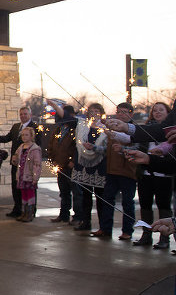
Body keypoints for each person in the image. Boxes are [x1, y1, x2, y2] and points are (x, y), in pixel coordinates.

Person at [94, 102, 138, 239]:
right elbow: (107, 150)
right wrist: (93, 148)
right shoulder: (112, 129)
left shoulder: (135, 130)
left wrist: (123, 150)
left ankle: (127, 231)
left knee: (127, 202)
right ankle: (105, 229)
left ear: (131, 114)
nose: (120, 115)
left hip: (127, 172)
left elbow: (136, 150)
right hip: (111, 171)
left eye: (124, 112)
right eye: (118, 112)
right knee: (107, 200)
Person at [133, 102, 173, 248]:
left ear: (168, 113)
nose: (157, 112)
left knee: (163, 205)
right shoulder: (148, 128)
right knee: (145, 205)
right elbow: (138, 143)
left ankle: (164, 237)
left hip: (164, 175)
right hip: (146, 173)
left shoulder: (171, 130)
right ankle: (147, 234)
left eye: (161, 110)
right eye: (155, 110)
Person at [0, 106, 40, 218]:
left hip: (28, 165)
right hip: (17, 162)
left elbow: (38, 145)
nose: (23, 116)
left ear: (30, 114)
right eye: (21, 114)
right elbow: (7, 138)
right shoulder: (16, 127)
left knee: (29, 188)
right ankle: (18, 209)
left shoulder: (35, 128)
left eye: (25, 114)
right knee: (16, 186)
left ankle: (31, 210)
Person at [70, 103, 107, 232]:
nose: (94, 114)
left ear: (101, 113)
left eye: (97, 111)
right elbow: (78, 145)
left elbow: (108, 149)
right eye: (91, 111)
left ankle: (103, 226)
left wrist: (95, 148)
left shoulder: (105, 128)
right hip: (84, 164)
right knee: (85, 196)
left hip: (99, 166)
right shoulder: (83, 127)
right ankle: (85, 222)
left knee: (100, 198)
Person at [47, 103, 78, 224]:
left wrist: (73, 161)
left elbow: (77, 147)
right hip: (59, 165)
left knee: (76, 192)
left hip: (71, 166)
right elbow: (51, 145)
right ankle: (64, 214)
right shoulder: (58, 129)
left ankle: (77, 216)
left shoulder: (75, 130)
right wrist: (52, 159)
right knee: (63, 192)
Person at [11, 127, 42, 222]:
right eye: (23, 135)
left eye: (26, 135)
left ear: (31, 136)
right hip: (21, 175)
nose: (24, 137)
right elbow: (17, 159)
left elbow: (37, 164)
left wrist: (35, 177)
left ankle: (30, 213)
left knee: (30, 194)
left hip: (30, 176)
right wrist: (15, 160)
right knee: (23, 194)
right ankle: (24, 212)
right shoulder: (20, 147)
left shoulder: (35, 149)